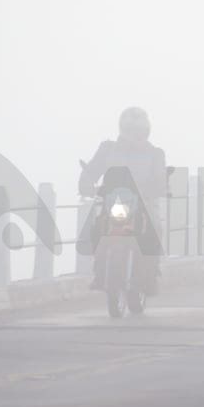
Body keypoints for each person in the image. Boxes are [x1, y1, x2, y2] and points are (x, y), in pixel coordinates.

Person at [78, 107, 167, 293]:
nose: (134, 135)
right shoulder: (107, 149)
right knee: (97, 229)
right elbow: (93, 170)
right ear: (122, 130)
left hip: (144, 203)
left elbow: (160, 179)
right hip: (114, 202)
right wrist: (86, 183)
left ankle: (152, 276)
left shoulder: (155, 153)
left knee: (155, 229)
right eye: (130, 130)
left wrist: (159, 187)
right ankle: (99, 274)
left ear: (146, 131)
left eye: (138, 131)